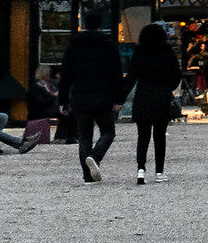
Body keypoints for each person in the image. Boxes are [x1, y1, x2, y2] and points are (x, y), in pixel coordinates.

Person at [58, 24, 124, 184]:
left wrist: (63, 100)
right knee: (108, 131)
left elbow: (65, 76)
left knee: (85, 136)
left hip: (80, 97)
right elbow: (116, 74)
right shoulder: (108, 46)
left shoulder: (73, 47)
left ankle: (87, 175)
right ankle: (95, 156)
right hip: (103, 96)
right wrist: (118, 99)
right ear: (100, 28)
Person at [127, 24, 180, 183]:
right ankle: (159, 172)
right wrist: (168, 87)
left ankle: (141, 170)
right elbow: (176, 75)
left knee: (143, 136)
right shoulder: (167, 52)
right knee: (159, 136)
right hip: (161, 96)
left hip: (143, 95)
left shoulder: (139, 52)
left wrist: (119, 99)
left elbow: (131, 77)